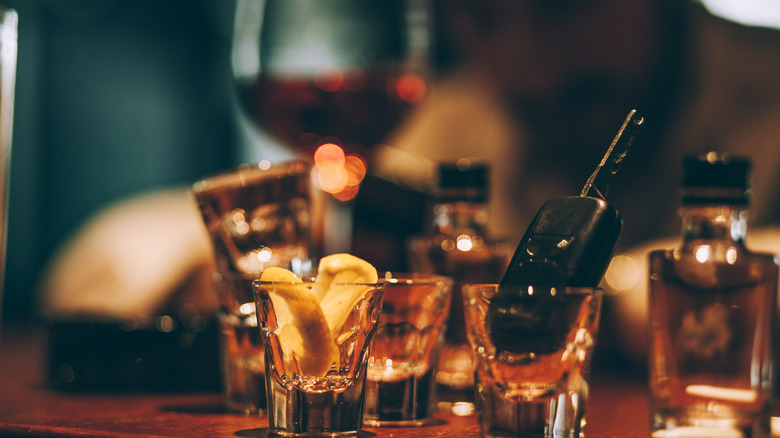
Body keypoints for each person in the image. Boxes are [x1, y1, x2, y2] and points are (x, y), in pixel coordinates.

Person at [377, 0, 780, 362]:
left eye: (563, 6)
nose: (533, 68)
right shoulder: (450, 117)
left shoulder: (767, 79)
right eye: (483, 17)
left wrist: (602, 299)